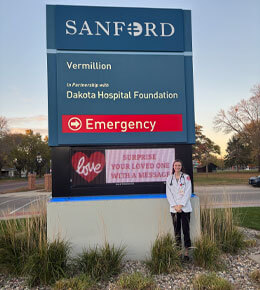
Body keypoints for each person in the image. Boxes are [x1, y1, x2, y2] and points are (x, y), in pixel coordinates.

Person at [166, 159, 192, 261]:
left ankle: (186, 253)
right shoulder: (169, 178)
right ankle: (178, 253)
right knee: (176, 231)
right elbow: (169, 194)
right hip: (174, 209)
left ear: (181, 167)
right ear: (173, 166)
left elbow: (188, 192)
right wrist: (175, 206)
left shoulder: (186, 177)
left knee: (186, 230)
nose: (177, 167)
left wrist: (181, 205)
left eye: (179, 165)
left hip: (185, 208)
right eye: (176, 165)